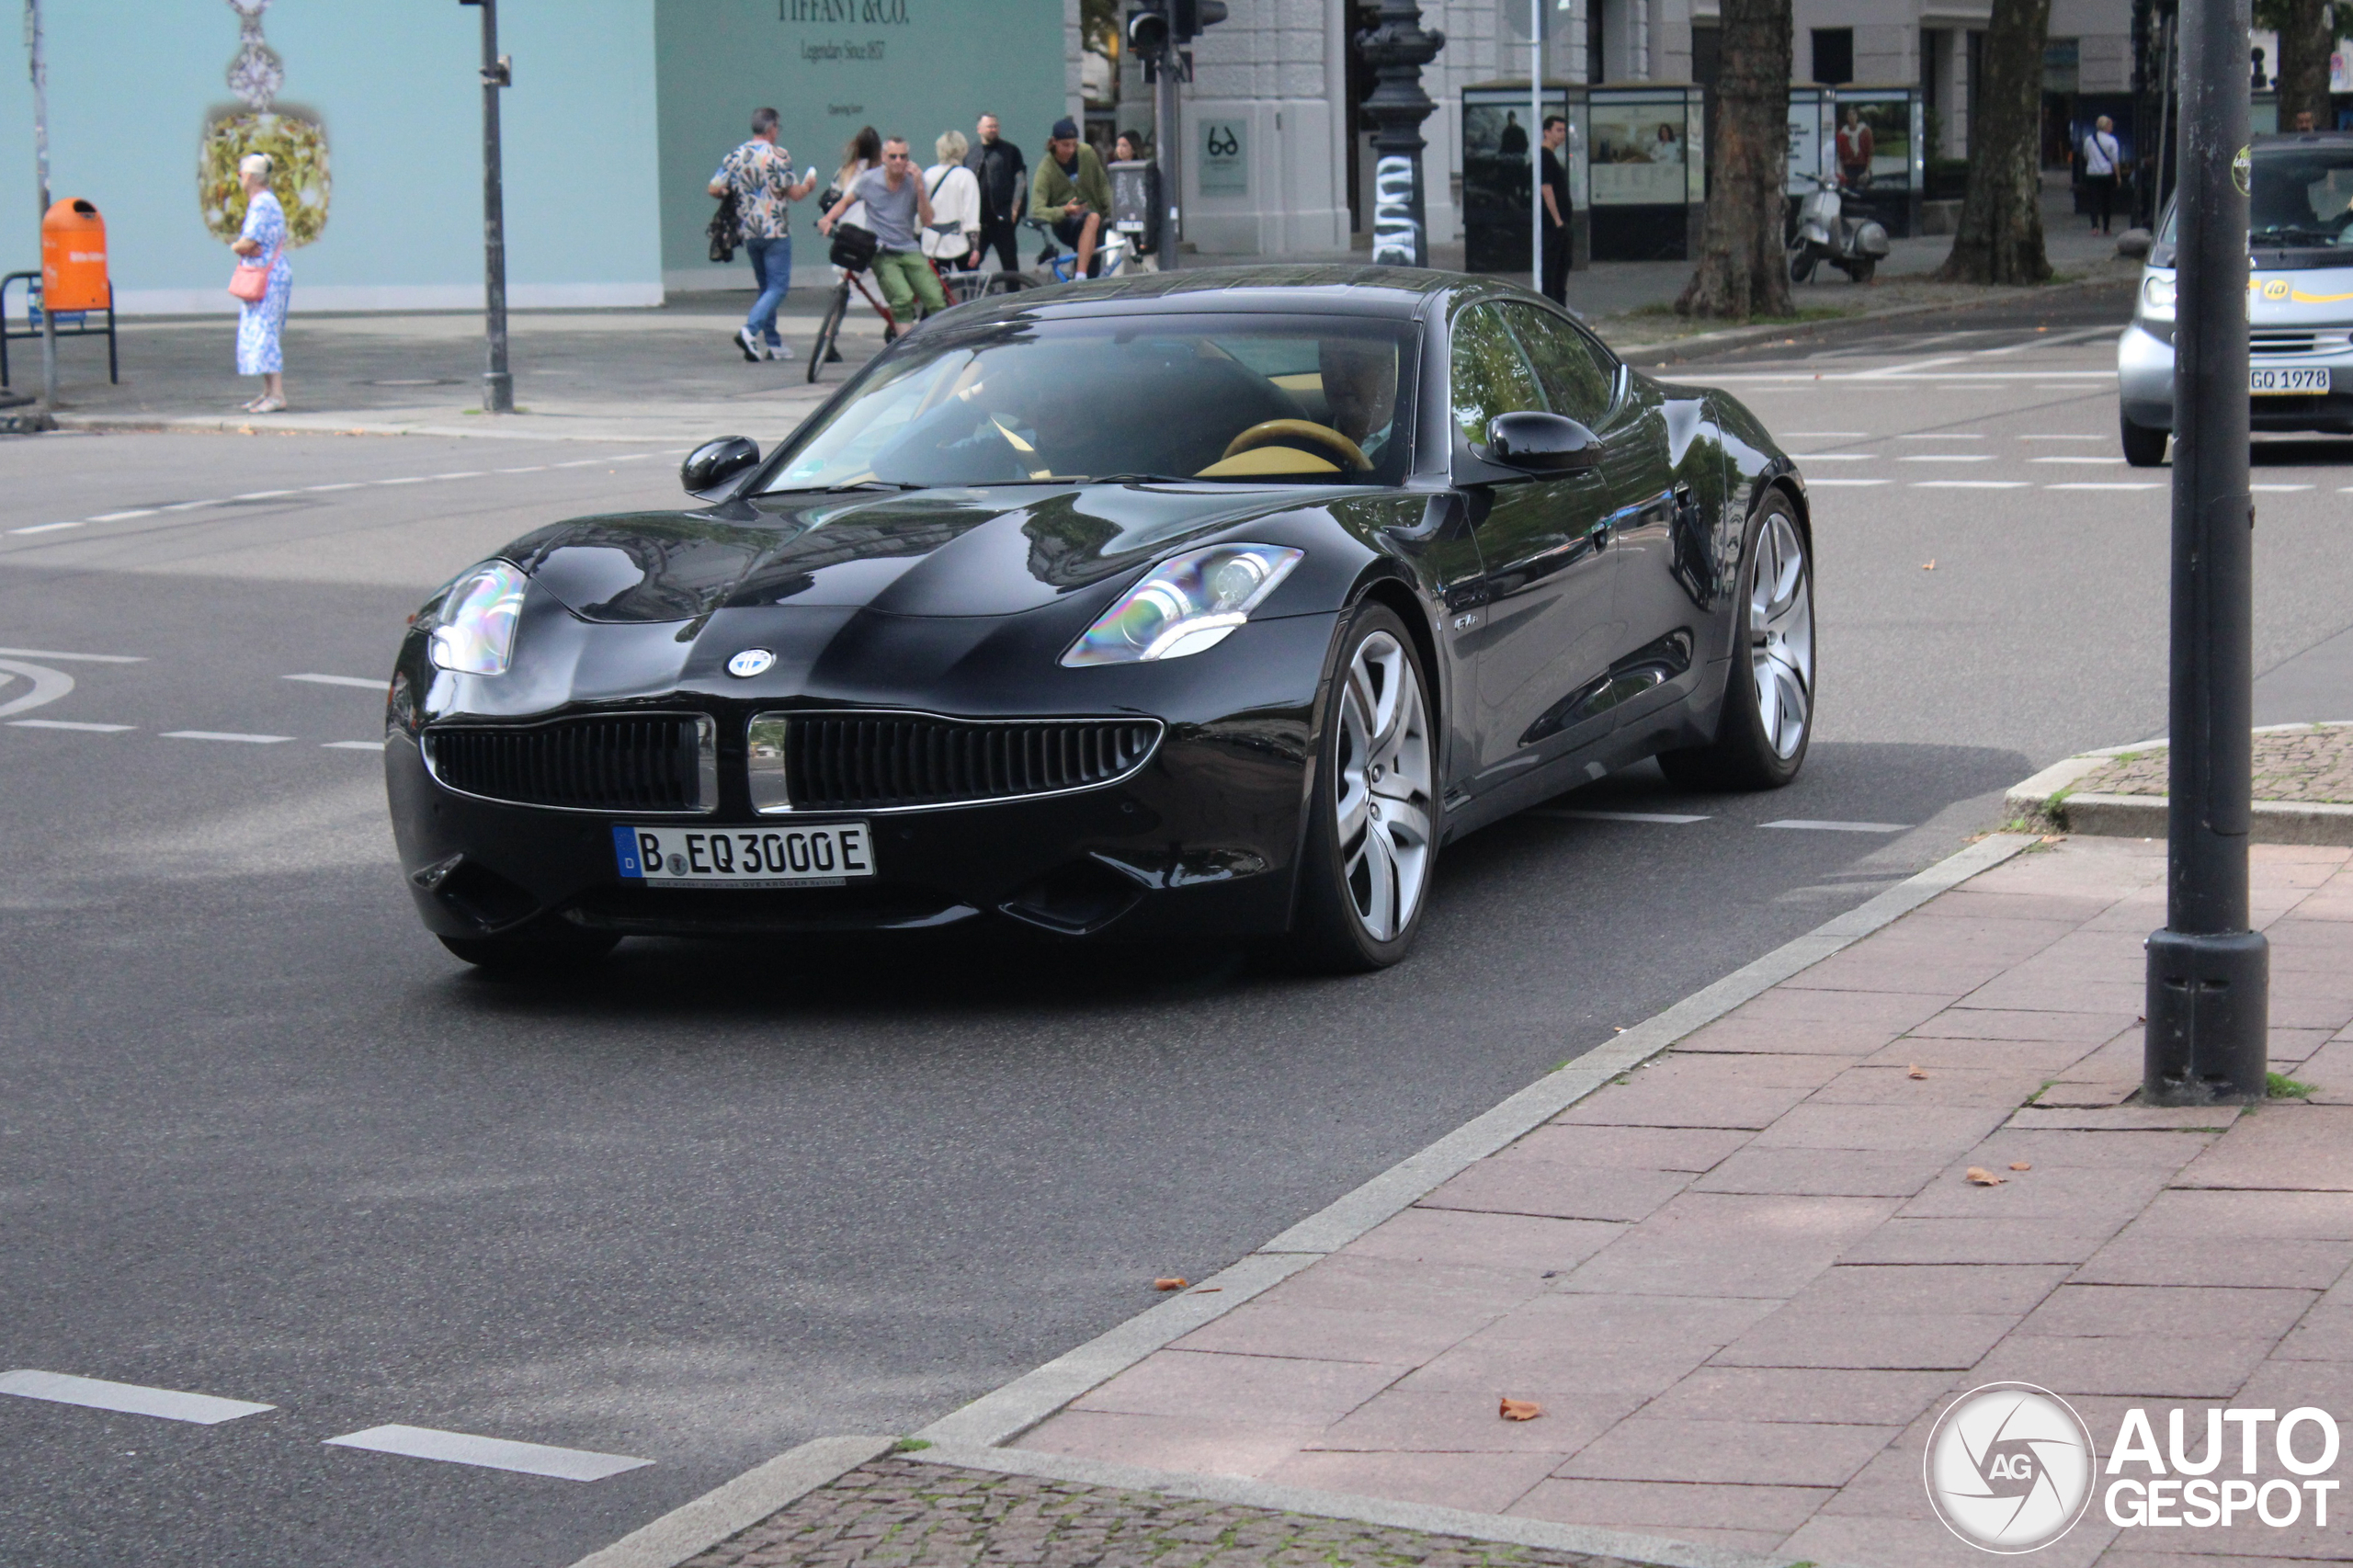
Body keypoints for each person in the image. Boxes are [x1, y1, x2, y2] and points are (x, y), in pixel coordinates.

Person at [709, 107, 817, 362]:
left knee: (765, 288)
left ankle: (774, 343)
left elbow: (714, 188)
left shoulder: (736, 155)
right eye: (778, 128)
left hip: (749, 230)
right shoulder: (779, 156)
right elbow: (796, 194)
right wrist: (809, 185)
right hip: (775, 230)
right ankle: (750, 330)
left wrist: (731, 194)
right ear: (771, 129)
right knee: (778, 287)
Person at [819, 135, 945, 327]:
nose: (899, 161)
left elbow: (927, 220)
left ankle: (943, 349)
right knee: (902, 298)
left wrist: (920, 187)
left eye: (903, 157)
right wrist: (828, 219)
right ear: (884, 157)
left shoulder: (914, 181)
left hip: (908, 248)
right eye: (893, 156)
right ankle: (906, 352)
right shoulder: (870, 180)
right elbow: (845, 202)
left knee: (936, 300)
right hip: (881, 250)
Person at [229, 153, 291, 414]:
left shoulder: (261, 204)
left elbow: (248, 242)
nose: (240, 179)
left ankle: (276, 394)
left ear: (251, 177)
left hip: (266, 278)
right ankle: (267, 392)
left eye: (241, 174)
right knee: (261, 332)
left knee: (264, 332)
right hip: (268, 275)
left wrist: (236, 246)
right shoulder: (267, 202)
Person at [1030, 117, 1112, 278]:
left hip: (1093, 221)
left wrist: (1113, 211)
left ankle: (1084, 285)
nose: (1071, 150)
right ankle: (1080, 276)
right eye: (1065, 145)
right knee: (1093, 218)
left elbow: (1102, 185)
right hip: (1066, 224)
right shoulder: (1046, 168)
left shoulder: (1087, 153)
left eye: (1074, 144)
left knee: (1094, 265)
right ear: (1054, 142)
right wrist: (1064, 211)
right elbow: (1037, 209)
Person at [1318, 338, 1398, 465]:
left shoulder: (1421, 446)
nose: (1337, 377)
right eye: (1327, 364)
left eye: (1352, 364)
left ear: (1390, 368)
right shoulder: (1308, 443)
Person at [964, 113, 1028, 273]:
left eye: (995, 126)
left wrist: (1014, 213)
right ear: (979, 129)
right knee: (971, 266)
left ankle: (1015, 296)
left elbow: (1021, 182)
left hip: (1002, 220)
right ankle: (971, 295)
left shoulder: (1010, 151)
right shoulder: (970, 153)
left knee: (1010, 267)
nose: (993, 129)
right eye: (989, 126)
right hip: (978, 222)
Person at [923, 130, 983, 271]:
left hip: (933, 242)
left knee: (936, 288)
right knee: (971, 286)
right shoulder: (966, 176)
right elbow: (971, 216)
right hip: (959, 242)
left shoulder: (928, 174)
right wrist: (975, 248)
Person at [1538, 115, 1571, 305]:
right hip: (1553, 226)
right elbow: (1546, 188)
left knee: (1561, 270)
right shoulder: (1545, 157)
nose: (1563, 134)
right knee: (1553, 270)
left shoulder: (1550, 157)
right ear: (1547, 132)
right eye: (1558, 130)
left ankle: (1559, 306)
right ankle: (1554, 307)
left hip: (1559, 224)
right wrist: (1558, 220)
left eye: (1564, 130)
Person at [2082, 114, 2121, 235]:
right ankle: (2106, 227)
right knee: (2106, 201)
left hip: (2092, 173)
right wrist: (2118, 176)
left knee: (2094, 200)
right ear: (2106, 126)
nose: (2112, 127)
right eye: (2110, 125)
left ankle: (2094, 227)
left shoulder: (2089, 139)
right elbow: (2115, 161)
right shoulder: (2112, 140)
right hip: (2106, 173)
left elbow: (2085, 155)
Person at [1836, 107, 1873, 187]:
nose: (1851, 117)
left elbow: (1870, 153)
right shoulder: (1842, 134)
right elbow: (1840, 156)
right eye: (1849, 115)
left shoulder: (1866, 131)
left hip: (1862, 166)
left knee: (1868, 189)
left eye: (1853, 114)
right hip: (1849, 167)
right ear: (1847, 117)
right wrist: (1843, 173)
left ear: (1857, 116)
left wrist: (1867, 171)